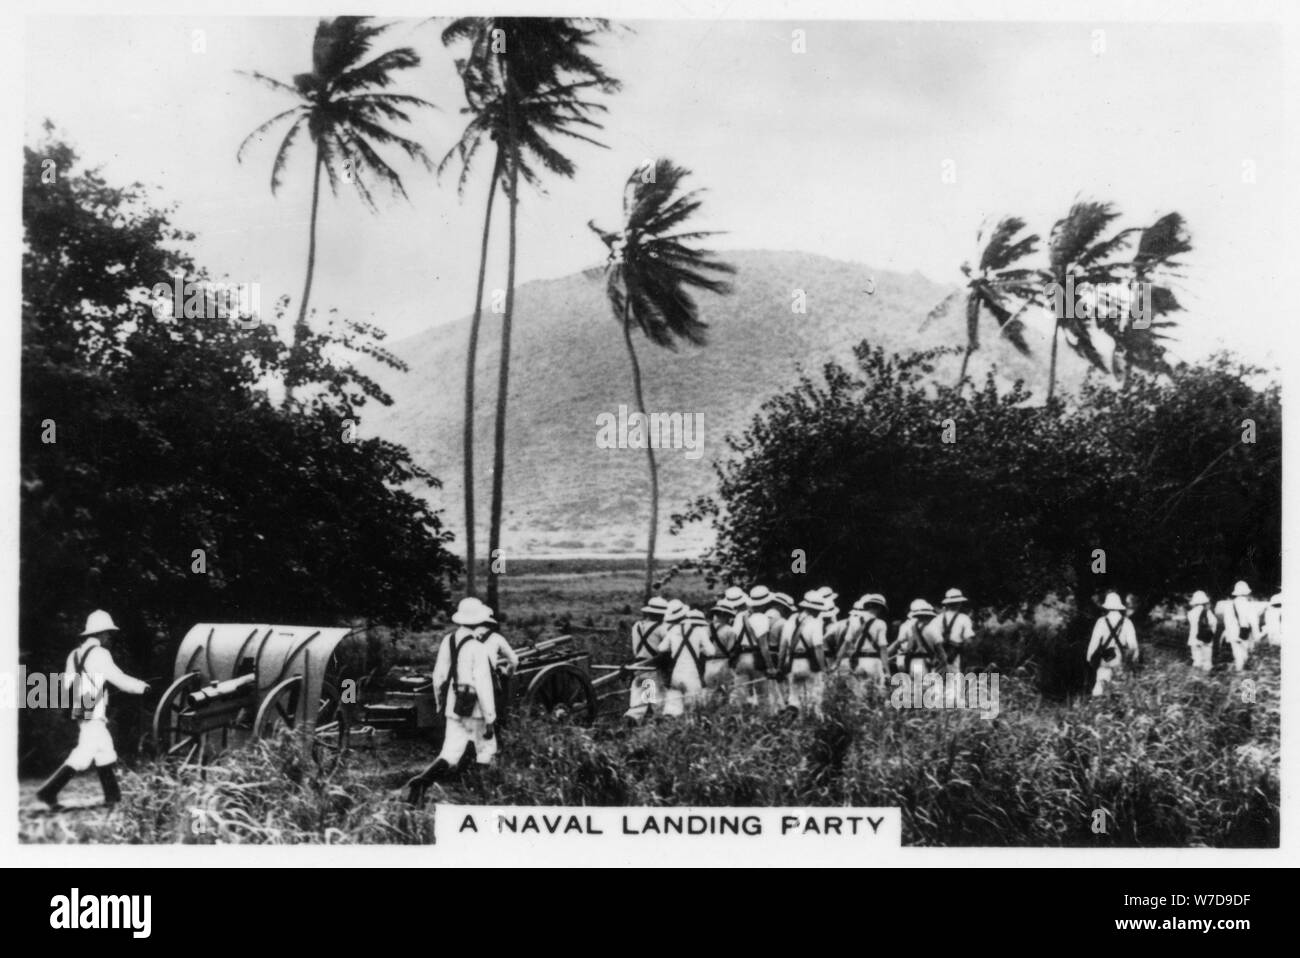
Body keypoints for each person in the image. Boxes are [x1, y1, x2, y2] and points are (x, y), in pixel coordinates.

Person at [36, 611, 149, 809]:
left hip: (81, 705)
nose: (109, 638)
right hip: (93, 706)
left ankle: (112, 797)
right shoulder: (100, 654)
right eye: (108, 634)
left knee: (103, 748)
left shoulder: (75, 654)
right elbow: (118, 679)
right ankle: (49, 791)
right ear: (102, 634)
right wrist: (142, 687)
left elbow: (68, 683)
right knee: (85, 752)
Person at [406, 597, 499, 803]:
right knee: (486, 749)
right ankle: (481, 796)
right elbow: (484, 685)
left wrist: (442, 705)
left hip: (453, 705)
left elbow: (438, 677)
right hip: (475, 708)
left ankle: (421, 782)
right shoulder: (478, 647)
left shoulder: (448, 641)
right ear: (479, 621)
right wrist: (490, 718)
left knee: (450, 752)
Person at [661, 608, 717, 717]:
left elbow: (662, 648)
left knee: (673, 706)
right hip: (692, 673)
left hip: (676, 673)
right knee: (693, 709)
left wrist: (675, 647)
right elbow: (711, 652)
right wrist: (700, 648)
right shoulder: (700, 631)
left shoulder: (674, 629)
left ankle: (670, 725)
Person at [780, 591, 828, 716]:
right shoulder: (816, 622)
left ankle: (794, 724)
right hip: (809, 664)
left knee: (794, 697)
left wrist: (780, 667)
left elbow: (783, 646)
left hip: (793, 664)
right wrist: (823, 668)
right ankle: (811, 724)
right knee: (814, 697)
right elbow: (818, 647)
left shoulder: (790, 620)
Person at [1085, 592, 1139, 695]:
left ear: (1107, 606)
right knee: (1119, 692)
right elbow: (1133, 646)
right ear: (1119, 606)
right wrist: (1134, 661)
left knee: (1099, 691)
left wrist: (1089, 658)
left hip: (1105, 660)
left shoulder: (1101, 622)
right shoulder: (1127, 622)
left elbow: (1094, 643)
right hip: (1120, 661)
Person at [730, 588, 774, 707]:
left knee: (741, 695)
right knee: (762, 695)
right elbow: (763, 646)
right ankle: (763, 720)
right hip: (755, 658)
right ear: (765, 603)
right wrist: (770, 667)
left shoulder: (740, 616)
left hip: (740, 658)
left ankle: (742, 720)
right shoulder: (762, 618)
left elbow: (733, 638)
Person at [835, 594, 890, 690]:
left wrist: (836, 663)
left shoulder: (854, 621)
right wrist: (887, 671)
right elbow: (883, 649)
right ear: (880, 608)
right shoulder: (880, 623)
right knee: (877, 693)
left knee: (858, 694)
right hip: (873, 662)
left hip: (856, 662)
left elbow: (846, 644)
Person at [626, 597, 669, 721]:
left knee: (638, 700)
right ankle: (653, 724)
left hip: (638, 666)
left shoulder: (637, 626)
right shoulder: (662, 629)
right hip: (652, 667)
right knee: (658, 702)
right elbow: (665, 652)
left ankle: (632, 720)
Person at [479, 608, 519, 724]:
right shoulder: (496, 638)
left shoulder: (461, 638)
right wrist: (507, 674)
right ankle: (501, 719)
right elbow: (514, 661)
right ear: (490, 624)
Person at [888, 599, 939, 682]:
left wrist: (884, 657)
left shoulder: (905, 625)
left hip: (906, 661)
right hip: (925, 661)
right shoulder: (933, 626)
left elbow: (897, 644)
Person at [925, 589, 975, 673]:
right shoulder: (964, 618)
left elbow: (927, 635)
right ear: (960, 603)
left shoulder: (937, 618)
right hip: (954, 655)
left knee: (936, 679)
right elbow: (968, 641)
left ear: (947, 604)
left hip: (938, 656)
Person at [1220, 580, 1260, 672]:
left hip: (1232, 634)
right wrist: (1256, 635)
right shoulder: (1249, 605)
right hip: (1244, 633)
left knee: (1237, 655)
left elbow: (1227, 622)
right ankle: (1245, 674)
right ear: (1247, 593)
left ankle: (1238, 673)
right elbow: (1254, 622)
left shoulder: (1228, 605)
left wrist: (1228, 635)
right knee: (1245, 655)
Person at [704, 604, 738, 697]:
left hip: (708, 663)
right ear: (726, 615)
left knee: (711, 692)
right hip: (723, 663)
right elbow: (730, 649)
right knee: (730, 690)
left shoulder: (705, 629)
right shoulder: (730, 630)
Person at [1186, 590, 1216, 672]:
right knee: (1206, 662)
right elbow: (1213, 622)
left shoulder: (1190, 613)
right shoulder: (1207, 612)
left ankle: (1196, 678)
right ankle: (1205, 678)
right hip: (1205, 639)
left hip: (1194, 639)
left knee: (1197, 661)